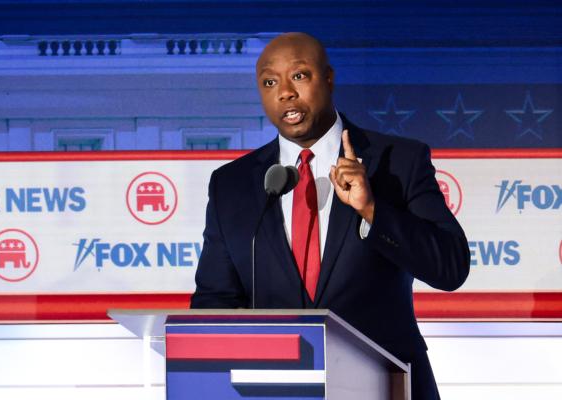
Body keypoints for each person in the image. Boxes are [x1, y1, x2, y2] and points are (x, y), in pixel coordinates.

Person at [191, 32, 470, 399]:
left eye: (299, 76)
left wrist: (372, 209)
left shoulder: (396, 161)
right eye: (270, 82)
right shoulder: (232, 184)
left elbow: (450, 267)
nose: (285, 92)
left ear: (329, 78)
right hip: (277, 387)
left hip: (386, 383)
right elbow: (214, 301)